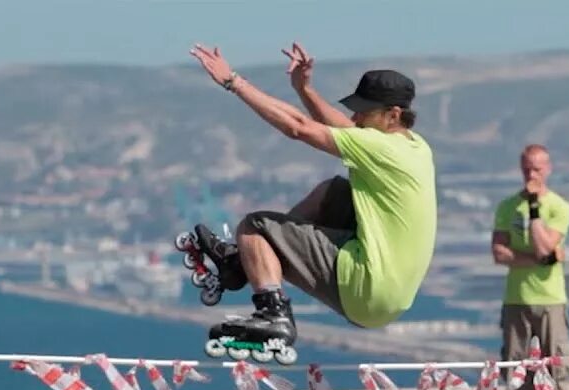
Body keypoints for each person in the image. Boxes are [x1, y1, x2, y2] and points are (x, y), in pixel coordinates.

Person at [187, 42, 437, 359]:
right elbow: (338, 126)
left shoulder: (378, 148)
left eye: (364, 110)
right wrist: (304, 89)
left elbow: (299, 128)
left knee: (255, 227)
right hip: (391, 295)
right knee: (334, 192)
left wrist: (233, 82)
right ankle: (241, 265)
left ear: (393, 115)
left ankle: (273, 314)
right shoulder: (414, 146)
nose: (355, 116)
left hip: (365, 290)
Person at [491, 144, 569, 390]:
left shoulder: (559, 207)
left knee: (555, 369)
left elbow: (545, 245)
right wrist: (537, 260)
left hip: (551, 299)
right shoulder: (507, 206)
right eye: (527, 168)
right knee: (518, 371)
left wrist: (536, 211)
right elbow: (499, 252)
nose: (531, 175)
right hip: (516, 300)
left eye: (537, 169)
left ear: (548, 169)